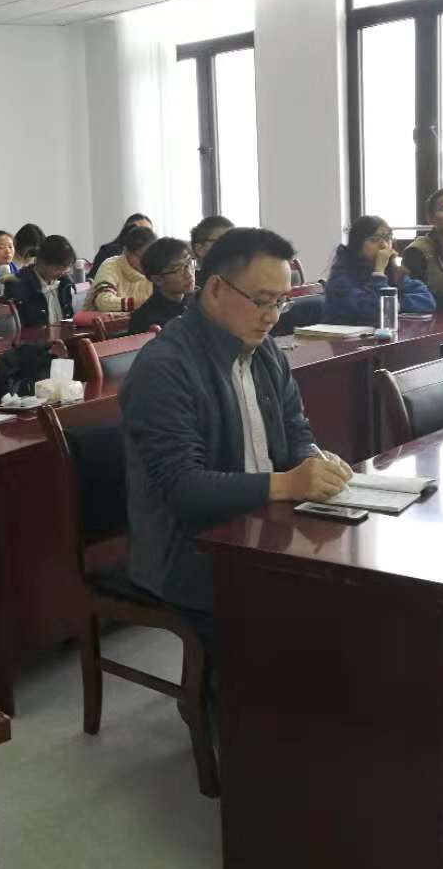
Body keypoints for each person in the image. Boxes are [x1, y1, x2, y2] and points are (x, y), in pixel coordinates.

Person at [120, 228, 352, 643]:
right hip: (189, 550)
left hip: (260, 526)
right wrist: (287, 484)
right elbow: (184, 489)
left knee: (355, 584)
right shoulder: (165, 367)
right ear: (214, 289)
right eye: (262, 301)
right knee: (301, 614)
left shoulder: (265, 349)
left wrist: (312, 459)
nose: (273, 316)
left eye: (281, 302)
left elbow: (295, 427)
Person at [322, 216, 437, 325]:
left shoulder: (392, 271)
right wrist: (379, 272)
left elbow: (427, 300)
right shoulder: (340, 277)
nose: (384, 245)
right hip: (344, 337)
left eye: (387, 238)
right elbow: (372, 308)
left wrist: (392, 305)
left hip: (380, 333)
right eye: (374, 240)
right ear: (357, 245)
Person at [130, 238, 197, 334]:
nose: (188, 274)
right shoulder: (146, 319)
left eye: (189, 263)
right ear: (157, 280)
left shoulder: (203, 301)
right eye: (177, 269)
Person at [8, 235, 78, 327]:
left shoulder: (65, 283)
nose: (62, 274)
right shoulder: (20, 285)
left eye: (65, 269)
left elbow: (69, 318)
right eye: (57, 268)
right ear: (41, 262)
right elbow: (22, 327)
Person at [88, 225, 157, 312]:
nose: (146, 262)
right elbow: (103, 302)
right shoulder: (111, 265)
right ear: (126, 251)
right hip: (105, 319)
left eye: (150, 257)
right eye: (141, 257)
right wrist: (138, 304)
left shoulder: (155, 269)